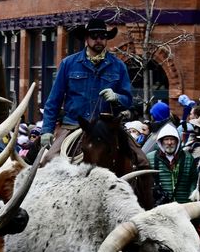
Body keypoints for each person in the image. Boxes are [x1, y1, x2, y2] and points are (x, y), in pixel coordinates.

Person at [38, 18, 133, 154]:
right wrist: (46, 130)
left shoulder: (119, 66)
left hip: (107, 128)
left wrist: (117, 97)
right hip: (73, 126)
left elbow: (128, 100)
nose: (98, 40)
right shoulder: (68, 64)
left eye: (103, 36)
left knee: (140, 159)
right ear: (86, 39)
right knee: (49, 160)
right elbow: (53, 101)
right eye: (94, 36)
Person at [145, 121, 197, 204]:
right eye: (166, 139)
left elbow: (194, 180)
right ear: (161, 141)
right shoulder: (150, 158)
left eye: (172, 139)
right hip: (160, 208)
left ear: (177, 141)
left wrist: (192, 195)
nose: (169, 143)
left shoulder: (188, 158)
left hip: (184, 205)